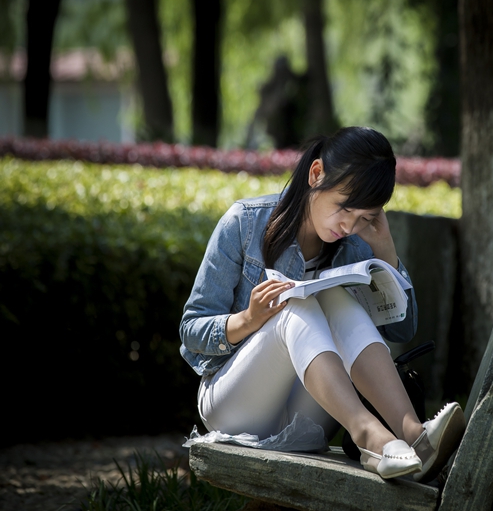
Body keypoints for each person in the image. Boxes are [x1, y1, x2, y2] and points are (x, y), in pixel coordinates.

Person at [180, 126, 465, 481]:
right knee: (296, 304)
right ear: (316, 174)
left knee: (334, 295)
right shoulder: (245, 222)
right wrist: (249, 320)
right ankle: (370, 436)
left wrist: (385, 250)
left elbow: (402, 329)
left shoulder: (355, 245)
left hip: (310, 420)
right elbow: (191, 330)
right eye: (344, 208)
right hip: (234, 409)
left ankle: (413, 434)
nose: (348, 226)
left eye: (365, 218)